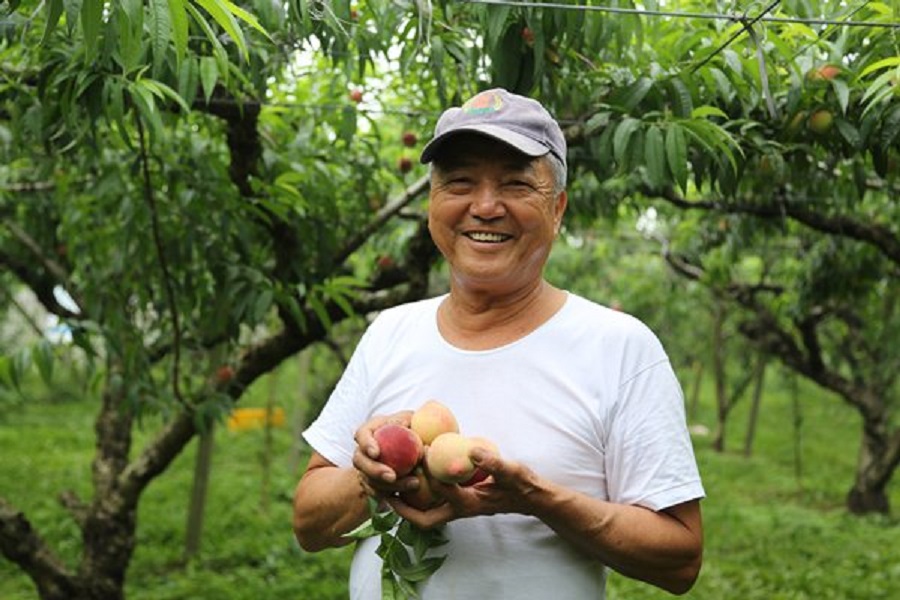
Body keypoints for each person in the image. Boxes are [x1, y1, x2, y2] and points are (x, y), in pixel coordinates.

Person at [292, 88, 705, 599]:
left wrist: (533, 498)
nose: (485, 206)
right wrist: (373, 479)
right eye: (460, 182)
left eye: (515, 184)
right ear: (432, 204)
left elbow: (680, 560)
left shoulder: (619, 348)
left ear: (557, 208)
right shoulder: (390, 331)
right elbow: (309, 525)